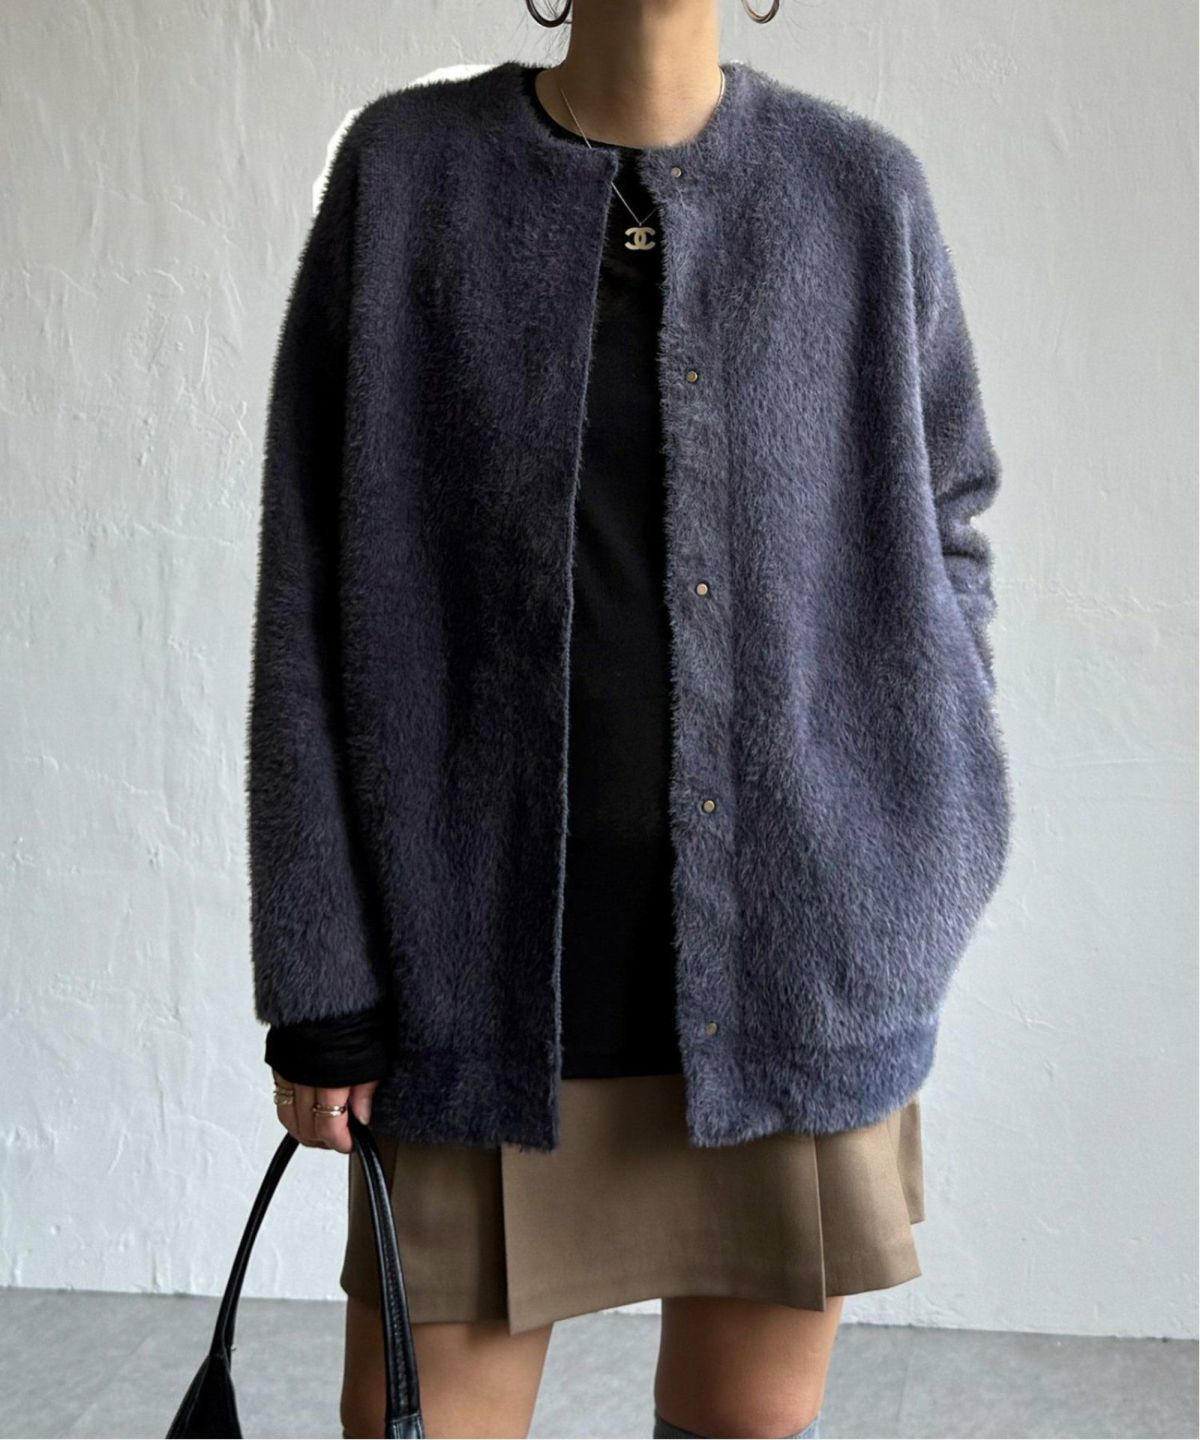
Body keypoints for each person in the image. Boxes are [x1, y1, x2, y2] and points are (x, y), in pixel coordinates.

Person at [247, 3, 1012, 1437]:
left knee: (745, 1423)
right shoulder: (408, 175)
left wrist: (922, 825)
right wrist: (319, 971)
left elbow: (949, 518)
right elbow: (312, 580)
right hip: (472, 978)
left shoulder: (859, 191)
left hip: (796, 970)